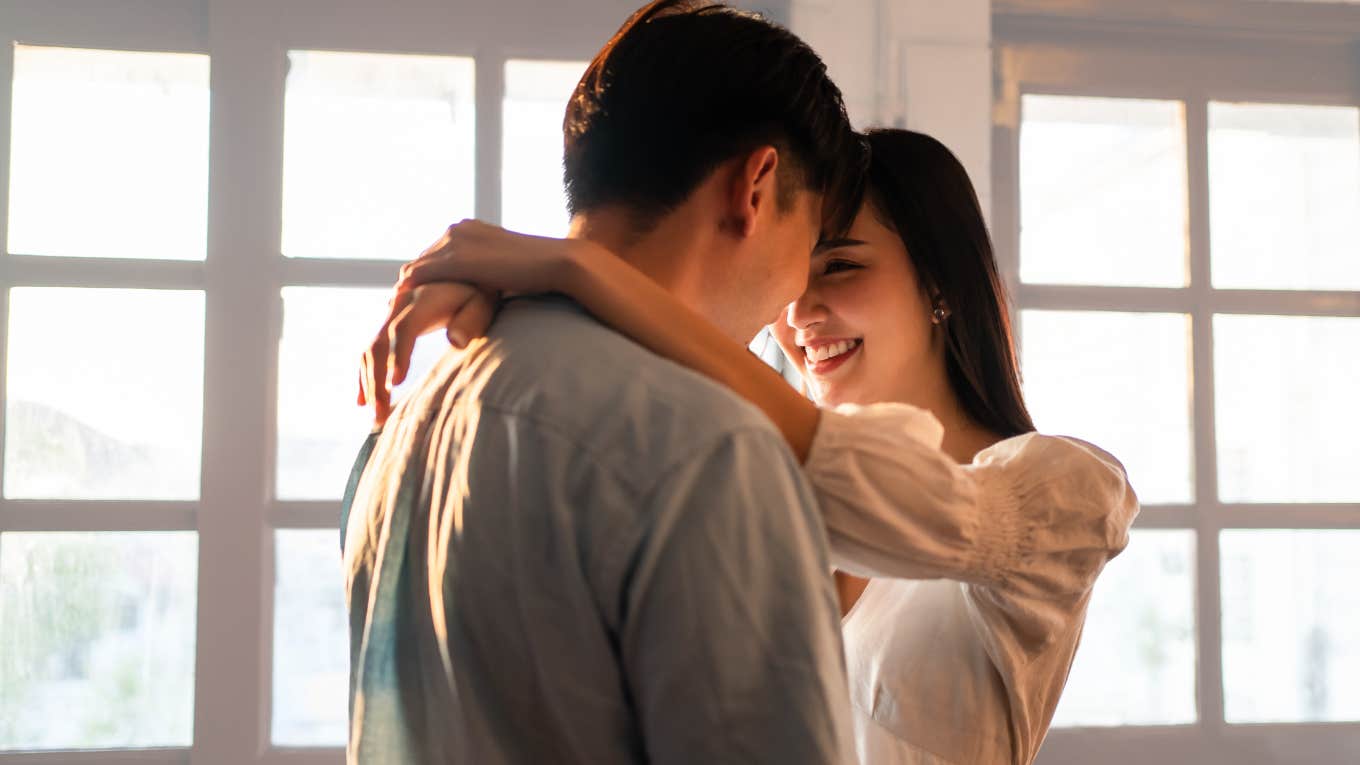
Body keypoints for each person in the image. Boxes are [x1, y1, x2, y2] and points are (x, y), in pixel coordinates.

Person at [363, 130, 1140, 765]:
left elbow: (915, 504)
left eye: (840, 267)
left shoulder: (1063, 491)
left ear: (940, 281)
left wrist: (573, 265)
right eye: (794, 280)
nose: (802, 315)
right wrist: (519, 303)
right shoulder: (752, 461)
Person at [341, 1, 869, 763]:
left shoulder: (405, 423)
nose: (795, 299)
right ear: (756, 186)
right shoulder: (707, 449)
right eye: (812, 243)